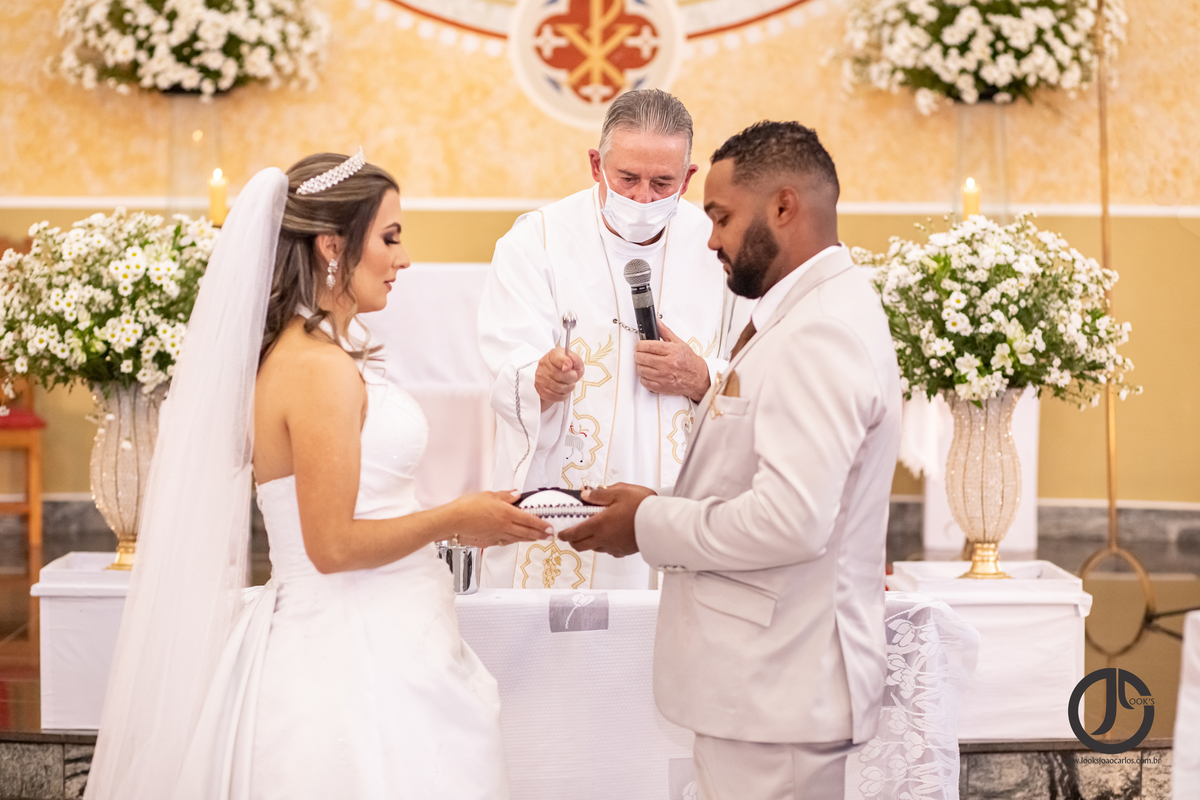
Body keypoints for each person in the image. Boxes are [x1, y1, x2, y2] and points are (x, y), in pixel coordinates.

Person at [84, 153, 552, 800]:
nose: (404, 258)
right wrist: (454, 517)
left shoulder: (316, 354)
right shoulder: (316, 369)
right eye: (389, 237)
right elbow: (331, 546)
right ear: (333, 246)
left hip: (379, 626)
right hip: (349, 650)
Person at [560, 122, 903, 799]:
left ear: (783, 206)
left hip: (782, 686)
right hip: (770, 686)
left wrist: (647, 523)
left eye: (721, 217)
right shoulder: (806, 311)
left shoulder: (821, 330)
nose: (710, 239)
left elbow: (791, 522)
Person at [478, 89, 744, 591]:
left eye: (662, 183)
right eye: (628, 179)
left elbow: (764, 367)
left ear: (688, 178)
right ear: (596, 165)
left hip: (681, 500)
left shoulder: (721, 246)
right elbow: (506, 356)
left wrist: (701, 376)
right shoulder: (536, 241)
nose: (643, 198)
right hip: (567, 490)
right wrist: (540, 379)